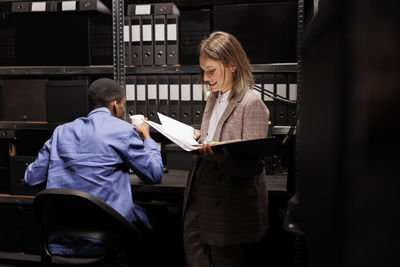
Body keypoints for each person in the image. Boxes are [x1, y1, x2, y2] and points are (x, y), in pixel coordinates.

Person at [24, 78, 164, 258]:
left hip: (59, 237)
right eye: (122, 105)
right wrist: (147, 137)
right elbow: (153, 174)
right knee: (162, 218)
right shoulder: (123, 130)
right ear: (115, 105)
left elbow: (31, 178)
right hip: (107, 235)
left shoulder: (61, 131)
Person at [183, 31, 270, 267]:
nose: (205, 78)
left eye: (211, 70)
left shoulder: (252, 105)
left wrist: (222, 157)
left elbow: (253, 165)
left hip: (229, 207)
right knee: (195, 255)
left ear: (232, 64)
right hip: (201, 196)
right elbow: (221, 134)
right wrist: (203, 137)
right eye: (203, 70)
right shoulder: (214, 98)